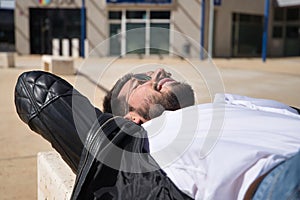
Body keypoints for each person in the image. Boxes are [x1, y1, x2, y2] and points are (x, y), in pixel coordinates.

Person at [14, 70, 300, 200]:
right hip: (281, 179)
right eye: (140, 82)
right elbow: (33, 90)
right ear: (130, 117)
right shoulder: (139, 144)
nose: (158, 73)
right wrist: (111, 134)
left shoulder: (228, 104)